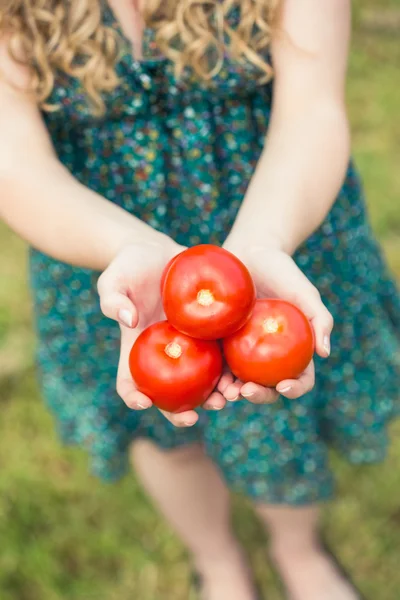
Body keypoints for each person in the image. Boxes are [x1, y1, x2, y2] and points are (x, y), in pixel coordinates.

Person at [0, 1, 399, 598]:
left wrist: (263, 241)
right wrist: (129, 245)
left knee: (282, 420)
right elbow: (14, 164)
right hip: (111, 261)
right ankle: (218, 561)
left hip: (277, 226)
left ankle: (298, 551)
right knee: (167, 432)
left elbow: (313, 112)